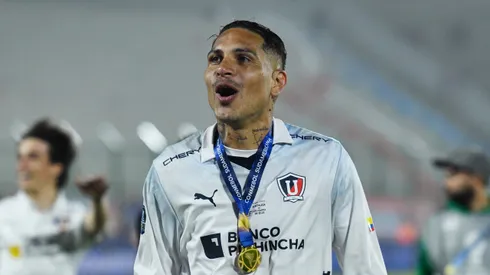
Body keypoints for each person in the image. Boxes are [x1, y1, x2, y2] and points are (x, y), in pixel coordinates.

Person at [134, 20, 387, 275]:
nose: (223, 69)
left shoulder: (326, 159)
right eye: (215, 59)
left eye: (243, 59)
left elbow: (365, 267)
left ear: (277, 82)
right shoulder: (171, 171)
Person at [0, 119, 109, 275]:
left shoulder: (72, 214)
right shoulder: (4, 213)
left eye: (32, 157)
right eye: (20, 157)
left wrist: (97, 199)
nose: (21, 166)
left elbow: (93, 226)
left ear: (56, 167)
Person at [417, 148, 490, 275]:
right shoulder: (436, 224)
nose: (446, 183)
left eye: (452, 175)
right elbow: (424, 269)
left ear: (476, 178)